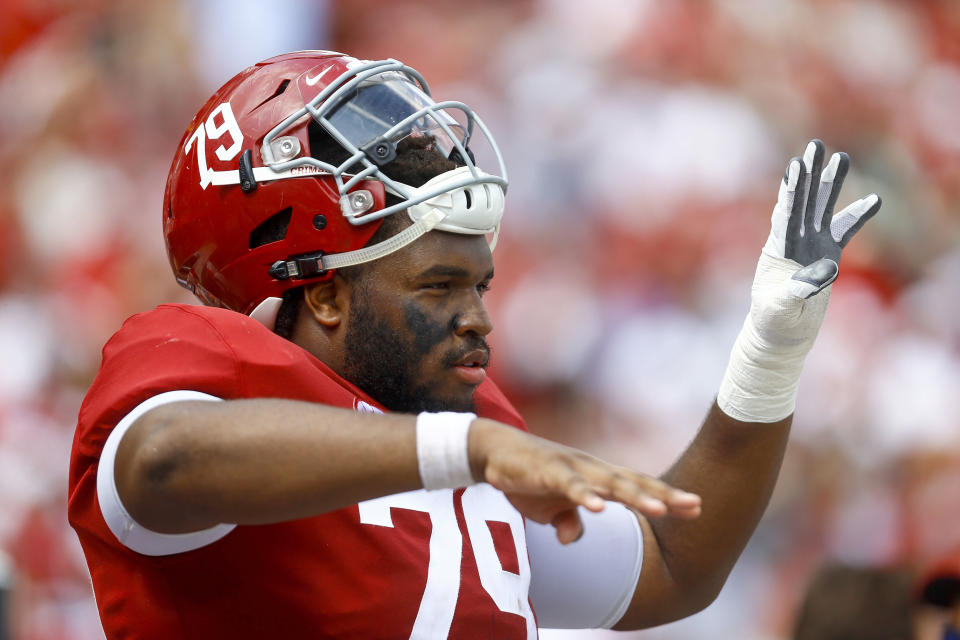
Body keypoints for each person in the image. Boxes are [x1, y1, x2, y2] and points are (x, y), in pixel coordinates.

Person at [67, 50, 881, 638]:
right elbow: (161, 460)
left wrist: (774, 344)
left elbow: (673, 565)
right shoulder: (213, 374)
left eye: (479, 285)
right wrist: (464, 447)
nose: (478, 318)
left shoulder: (453, 429)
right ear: (322, 291)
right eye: (438, 287)